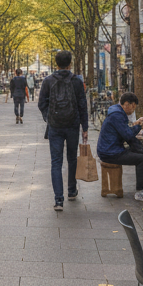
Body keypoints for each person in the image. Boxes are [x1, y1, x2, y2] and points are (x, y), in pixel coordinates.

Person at [37, 50, 88, 211]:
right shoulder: (77, 81)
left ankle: (59, 200)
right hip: (73, 125)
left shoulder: (48, 81)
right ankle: (72, 191)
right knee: (72, 159)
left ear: (56, 63)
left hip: (55, 126)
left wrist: (49, 117)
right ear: (70, 63)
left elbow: (41, 103)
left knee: (56, 162)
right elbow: (82, 105)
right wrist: (84, 127)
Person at [95, 92, 143, 202]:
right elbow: (127, 134)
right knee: (142, 159)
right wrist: (139, 126)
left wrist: (136, 125)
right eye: (133, 108)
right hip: (110, 153)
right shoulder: (117, 115)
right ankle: (141, 191)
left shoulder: (117, 112)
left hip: (111, 149)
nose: (133, 111)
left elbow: (125, 131)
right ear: (127, 104)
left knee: (140, 153)